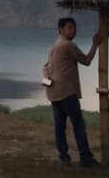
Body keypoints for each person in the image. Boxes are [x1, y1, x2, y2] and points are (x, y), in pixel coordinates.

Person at [44, 16, 105, 168]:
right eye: (70, 28)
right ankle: (85, 157)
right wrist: (95, 44)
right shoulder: (66, 45)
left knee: (60, 125)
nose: (73, 31)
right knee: (78, 124)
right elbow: (86, 60)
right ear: (61, 29)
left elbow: (47, 67)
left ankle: (64, 156)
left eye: (74, 27)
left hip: (53, 91)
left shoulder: (55, 45)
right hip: (65, 91)